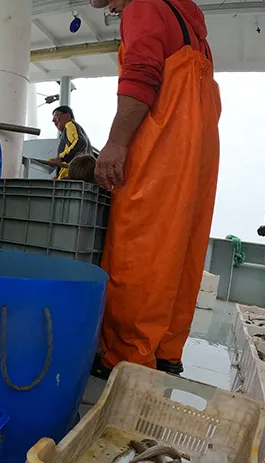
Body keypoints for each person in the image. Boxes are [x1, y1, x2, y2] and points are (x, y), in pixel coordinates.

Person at [89, 0, 221, 379]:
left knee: (140, 250)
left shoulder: (143, 6)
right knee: (181, 251)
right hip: (198, 156)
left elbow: (142, 74)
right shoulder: (191, 26)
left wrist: (115, 143)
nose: (111, 8)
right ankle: (166, 352)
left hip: (161, 151)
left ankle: (127, 356)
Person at [45, 105, 93, 179]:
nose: (53, 120)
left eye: (56, 116)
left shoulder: (70, 125)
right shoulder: (77, 130)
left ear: (67, 116)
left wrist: (62, 159)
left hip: (73, 174)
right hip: (79, 174)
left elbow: (80, 143)